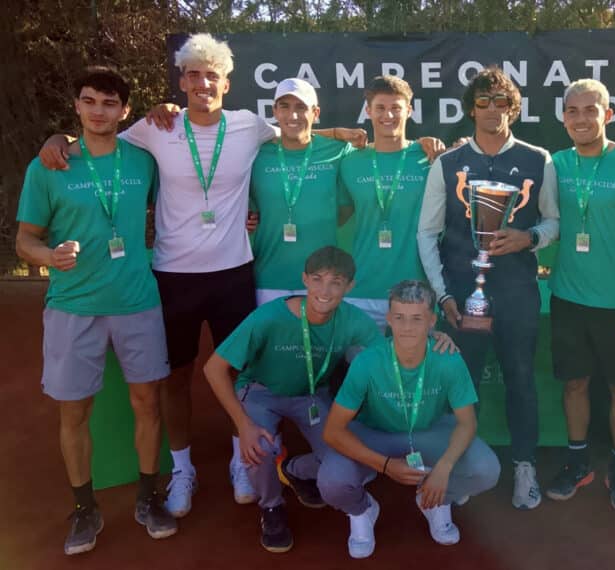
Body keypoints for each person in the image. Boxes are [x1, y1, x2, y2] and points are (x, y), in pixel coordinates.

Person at [37, 34, 368, 515]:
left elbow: (298, 130)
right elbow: (99, 139)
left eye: (211, 75)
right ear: (182, 81)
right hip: (173, 276)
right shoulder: (157, 126)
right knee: (177, 377)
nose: (202, 83)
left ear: (226, 83)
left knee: (239, 372)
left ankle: (240, 460)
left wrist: (347, 133)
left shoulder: (249, 125)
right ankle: (182, 469)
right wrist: (59, 140)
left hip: (234, 273)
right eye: (193, 75)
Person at [15, 66, 177, 555]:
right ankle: (85, 508)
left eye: (109, 104)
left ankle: (149, 497)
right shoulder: (49, 165)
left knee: (148, 404)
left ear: (124, 111)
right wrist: (48, 257)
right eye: (89, 101)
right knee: (74, 411)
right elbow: (25, 240)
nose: (98, 111)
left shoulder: (144, 160)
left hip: (137, 303)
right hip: (73, 306)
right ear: (77, 106)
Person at [417, 66, 559, 510]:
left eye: (502, 102)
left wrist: (529, 238)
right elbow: (427, 233)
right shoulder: (448, 163)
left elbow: (553, 221)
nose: (493, 110)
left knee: (520, 378)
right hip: (463, 295)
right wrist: (443, 294)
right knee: (463, 385)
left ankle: (524, 466)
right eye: (484, 102)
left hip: (516, 292)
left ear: (513, 109)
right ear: (471, 109)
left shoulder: (539, 159)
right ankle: (461, 468)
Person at [202, 246, 381, 553]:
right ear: (305, 280)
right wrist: (243, 425)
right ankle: (271, 506)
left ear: (350, 286)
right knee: (259, 447)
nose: (325, 291)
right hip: (261, 392)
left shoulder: (354, 320)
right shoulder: (270, 317)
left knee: (344, 461)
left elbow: (389, 357)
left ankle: (293, 470)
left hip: (312, 394)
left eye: (336, 282)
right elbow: (213, 368)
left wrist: (433, 339)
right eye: (317, 279)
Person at [544, 79, 615, 513]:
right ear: (563, 118)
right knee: (575, 383)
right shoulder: (554, 164)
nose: (581, 119)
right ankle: (578, 462)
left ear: (608, 115)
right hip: (568, 298)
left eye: (590, 110)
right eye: (572, 111)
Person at [319, 280, 501, 559]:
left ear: (432, 321)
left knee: (486, 470)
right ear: (389, 319)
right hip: (375, 433)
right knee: (331, 482)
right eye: (400, 318)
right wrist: (385, 465)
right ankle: (362, 510)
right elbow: (332, 431)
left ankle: (436, 500)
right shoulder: (368, 361)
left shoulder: (448, 358)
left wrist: (443, 469)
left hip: (429, 431)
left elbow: (467, 422)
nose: (407, 327)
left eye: (417, 318)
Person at [249, 77, 355, 306]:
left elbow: (346, 209)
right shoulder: (256, 154)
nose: (293, 115)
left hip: (324, 281)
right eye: (285, 107)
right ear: (275, 111)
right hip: (269, 278)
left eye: (301, 107)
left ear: (315, 113)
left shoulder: (338, 151)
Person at [339, 76, 432, 329]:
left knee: (413, 357)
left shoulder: (428, 158)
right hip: (362, 291)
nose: (388, 115)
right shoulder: (350, 162)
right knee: (363, 357)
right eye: (380, 107)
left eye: (396, 108)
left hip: (415, 292)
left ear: (409, 110)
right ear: (368, 111)